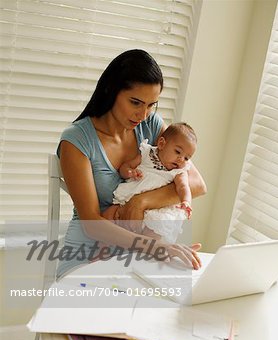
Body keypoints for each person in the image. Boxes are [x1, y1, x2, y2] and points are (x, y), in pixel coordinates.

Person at [56, 49, 207, 278]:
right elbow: (92, 224)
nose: (143, 115)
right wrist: (157, 248)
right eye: (135, 102)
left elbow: (196, 184)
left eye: (151, 105)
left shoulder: (152, 127)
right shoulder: (77, 141)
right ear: (112, 90)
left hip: (137, 259)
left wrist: (141, 201)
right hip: (88, 257)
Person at [107, 122, 197, 244]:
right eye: (177, 152)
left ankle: (141, 252)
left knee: (153, 234)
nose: (181, 159)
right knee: (108, 214)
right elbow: (125, 167)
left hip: (156, 209)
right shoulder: (147, 154)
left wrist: (186, 201)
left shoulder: (179, 171)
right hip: (130, 197)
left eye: (187, 158)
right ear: (161, 144)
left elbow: (183, 187)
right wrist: (129, 172)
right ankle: (102, 249)